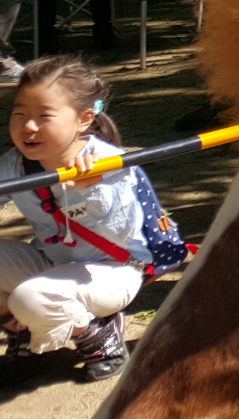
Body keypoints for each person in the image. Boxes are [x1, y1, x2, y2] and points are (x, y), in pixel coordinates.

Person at [0, 55, 145, 380]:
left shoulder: (108, 162)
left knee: (30, 298)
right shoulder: (14, 164)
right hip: (53, 263)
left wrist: (90, 190)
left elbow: (122, 234)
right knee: (29, 298)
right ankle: (23, 328)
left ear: (84, 119)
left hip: (112, 271)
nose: (28, 127)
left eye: (43, 116)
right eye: (19, 114)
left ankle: (97, 333)